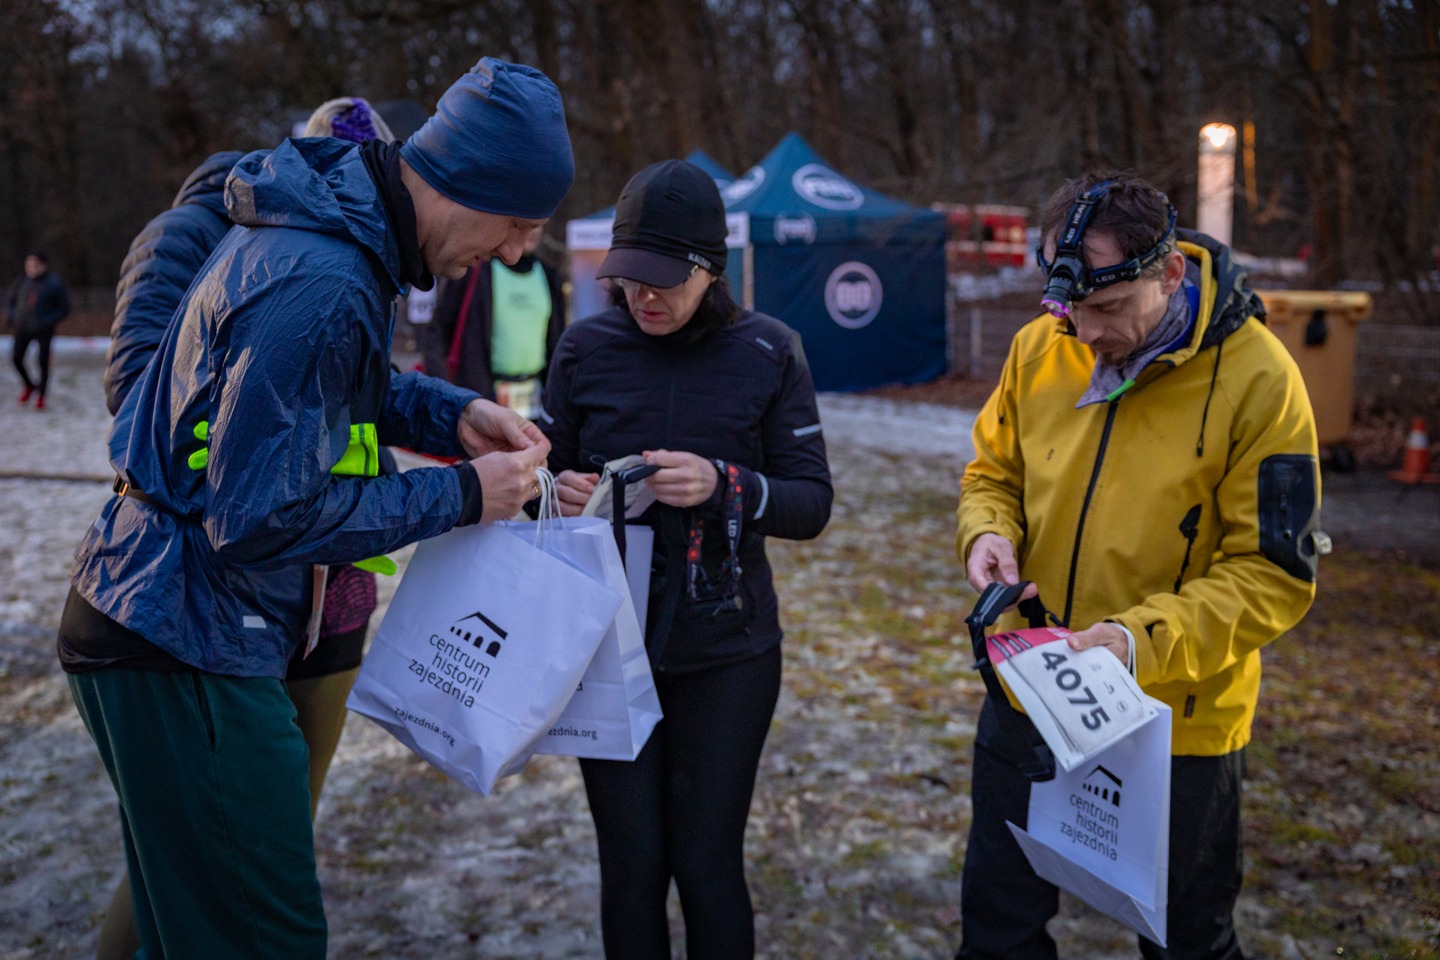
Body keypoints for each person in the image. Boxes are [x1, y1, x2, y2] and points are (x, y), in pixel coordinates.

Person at [59, 57, 573, 960]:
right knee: (266, 939)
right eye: (517, 225)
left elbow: (321, 386)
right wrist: (463, 493)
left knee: (186, 928)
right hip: (186, 634)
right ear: (468, 186)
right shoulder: (326, 276)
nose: (511, 253)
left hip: (171, 617)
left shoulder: (338, 237)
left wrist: (451, 416)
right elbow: (258, 518)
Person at [954, 172, 1324, 959]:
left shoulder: (1261, 379)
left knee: (1187, 942)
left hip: (1176, 722)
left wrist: (1133, 643)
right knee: (996, 930)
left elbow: (1273, 574)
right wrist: (986, 532)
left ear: (1170, 272)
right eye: (1072, 309)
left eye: (1111, 308)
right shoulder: (1039, 346)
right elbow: (994, 474)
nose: (1087, 333)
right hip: (1033, 687)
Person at [90, 98, 398, 960]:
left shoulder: (353, 250)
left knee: (274, 835)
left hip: (332, 586)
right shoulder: (193, 233)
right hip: (219, 593)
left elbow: (362, 387)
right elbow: (139, 394)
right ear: (299, 160)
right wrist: (269, 440)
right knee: (193, 855)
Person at [542, 159, 833, 960]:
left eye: (664, 280)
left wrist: (725, 484)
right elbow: (540, 476)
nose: (644, 297)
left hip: (728, 652)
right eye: (630, 278)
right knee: (631, 866)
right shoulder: (584, 348)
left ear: (712, 269)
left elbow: (812, 502)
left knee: (706, 867)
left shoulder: (768, 351)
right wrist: (555, 492)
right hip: (607, 646)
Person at [423, 222, 565, 417]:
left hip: (535, 401)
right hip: (482, 399)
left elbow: (556, 341)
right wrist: (446, 392)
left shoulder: (549, 276)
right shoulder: (475, 271)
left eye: (537, 225)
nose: (531, 232)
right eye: (522, 224)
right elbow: (438, 332)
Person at [5, 250, 70, 410]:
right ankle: (29, 385)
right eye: (29, 264)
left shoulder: (54, 283)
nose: (31, 267)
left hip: (43, 330)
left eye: (35, 264)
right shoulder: (22, 281)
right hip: (23, 327)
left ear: (43, 265)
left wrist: (49, 321)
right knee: (16, 358)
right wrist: (12, 316)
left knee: (42, 362)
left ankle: (41, 395)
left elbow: (64, 307)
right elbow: (10, 300)